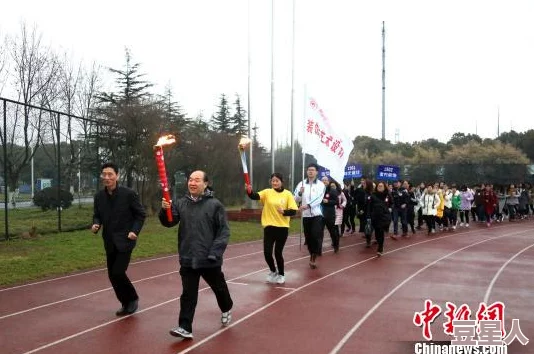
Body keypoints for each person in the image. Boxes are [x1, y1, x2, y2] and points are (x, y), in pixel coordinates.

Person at [160, 170, 233, 340]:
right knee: (188, 294)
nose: (192, 183)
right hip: (188, 258)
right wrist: (166, 211)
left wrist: (215, 253)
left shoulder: (215, 205)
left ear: (206, 184)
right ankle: (185, 327)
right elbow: (170, 222)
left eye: (197, 180)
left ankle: (226, 306)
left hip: (209, 259)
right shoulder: (181, 203)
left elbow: (224, 232)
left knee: (219, 288)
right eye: (190, 180)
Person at [91, 162, 146, 316]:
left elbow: (140, 214)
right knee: (112, 275)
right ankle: (125, 302)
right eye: (104, 174)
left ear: (117, 176)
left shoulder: (128, 194)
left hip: (125, 240)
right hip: (109, 241)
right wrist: (96, 224)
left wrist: (134, 231)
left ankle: (132, 299)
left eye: (110, 174)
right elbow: (97, 215)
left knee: (118, 272)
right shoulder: (99, 197)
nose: (107, 177)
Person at [245, 173, 298, 284]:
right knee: (267, 253)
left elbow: (294, 211)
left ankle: (281, 274)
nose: (274, 183)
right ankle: (273, 271)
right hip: (269, 227)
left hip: (282, 228)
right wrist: (249, 191)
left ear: (281, 182)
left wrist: (284, 212)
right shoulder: (267, 192)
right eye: (273, 181)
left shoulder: (287, 194)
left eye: (277, 181)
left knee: (278, 253)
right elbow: (254, 196)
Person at [294, 163, 326, 269]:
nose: (310, 172)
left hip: (317, 214)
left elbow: (319, 199)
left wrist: (308, 205)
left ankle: (313, 256)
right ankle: (312, 252)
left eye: (312, 170)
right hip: (306, 216)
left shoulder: (321, 185)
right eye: (309, 170)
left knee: (315, 235)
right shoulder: (301, 184)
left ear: (317, 172)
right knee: (308, 237)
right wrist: (299, 193)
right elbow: (295, 199)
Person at [365, 181, 392, 256]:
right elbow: (369, 206)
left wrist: (390, 208)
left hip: (384, 216)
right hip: (375, 216)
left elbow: (392, 203)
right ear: (376, 187)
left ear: (384, 187)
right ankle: (379, 242)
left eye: (381, 186)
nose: (380, 187)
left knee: (381, 231)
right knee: (377, 233)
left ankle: (380, 247)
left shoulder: (387, 195)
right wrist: (368, 216)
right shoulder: (373, 195)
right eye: (379, 186)